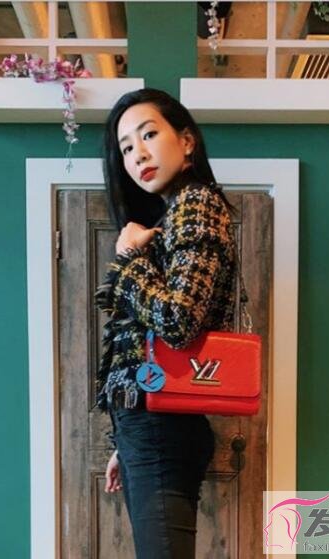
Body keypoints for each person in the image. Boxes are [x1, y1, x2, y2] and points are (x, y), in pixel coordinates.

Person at [94, 87, 238, 559]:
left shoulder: (196, 204)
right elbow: (147, 340)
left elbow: (178, 321)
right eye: (126, 147)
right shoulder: (174, 213)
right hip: (151, 425)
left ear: (187, 141)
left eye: (149, 134)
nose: (138, 154)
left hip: (161, 427)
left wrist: (129, 256)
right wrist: (125, 441)